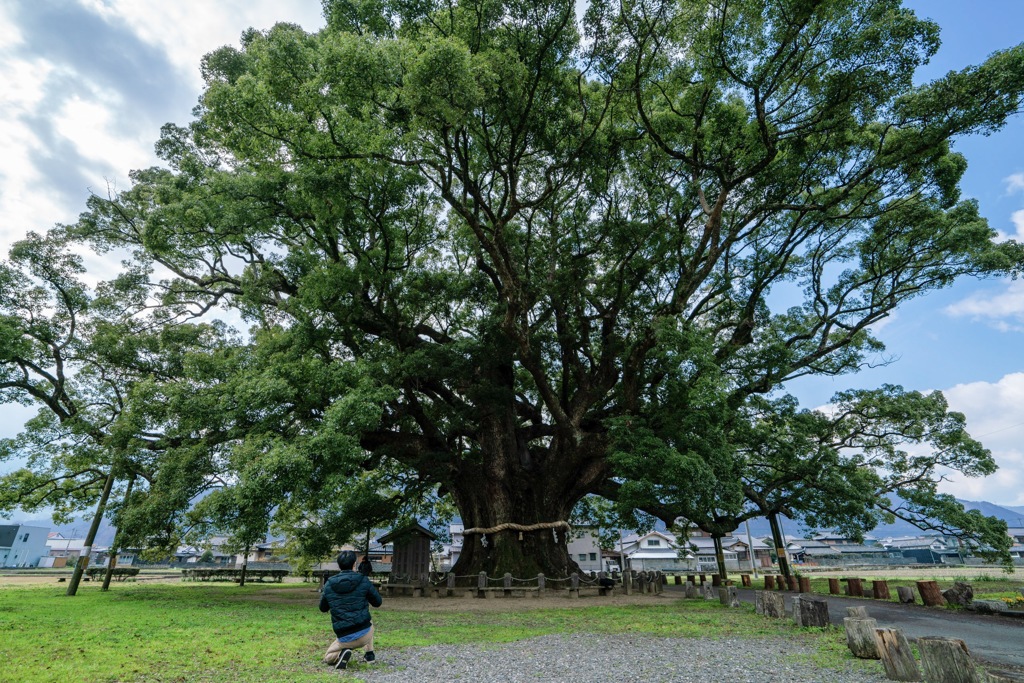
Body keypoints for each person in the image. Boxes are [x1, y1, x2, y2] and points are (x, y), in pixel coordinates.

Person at [319, 550, 383, 670]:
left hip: (344, 636)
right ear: (354, 564)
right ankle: (370, 655)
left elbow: (323, 608)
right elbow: (377, 602)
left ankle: (343, 652)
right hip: (365, 633)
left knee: (328, 657)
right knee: (367, 618)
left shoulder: (329, 584)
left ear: (339, 565)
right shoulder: (363, 580)